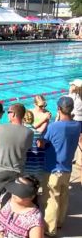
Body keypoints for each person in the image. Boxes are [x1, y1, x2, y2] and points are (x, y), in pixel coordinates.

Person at [0, 104, 33, 229]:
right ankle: (5, 223)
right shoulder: (29, 132)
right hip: (17, 172)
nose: (7, 114)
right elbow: (27, 149)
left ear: (14, 114)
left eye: (9, 112)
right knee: (10, 199)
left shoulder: (1, 128)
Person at [41, 97, 81, 237]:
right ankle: (59, 222)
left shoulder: (54, 126)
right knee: (63, 196)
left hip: (52, 169)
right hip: (67, 168)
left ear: (58, 109)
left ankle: (49, 229)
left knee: (51, 199)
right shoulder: (77, 126)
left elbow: (43, 143)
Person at [67, 79, 82, 186]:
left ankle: (70, 159)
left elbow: (68, 110)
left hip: (75, 121)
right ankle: (80, 161)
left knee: (71, 142)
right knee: (81, 141)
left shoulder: (73, 98)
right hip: (81, 121)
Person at [23, 111, 45, 181]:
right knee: (34, 187)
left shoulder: (21, 133)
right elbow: (41, 152)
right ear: (32, 120)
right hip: (36, 167)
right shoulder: (38, 134)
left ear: (23, 119)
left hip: (24, 166)